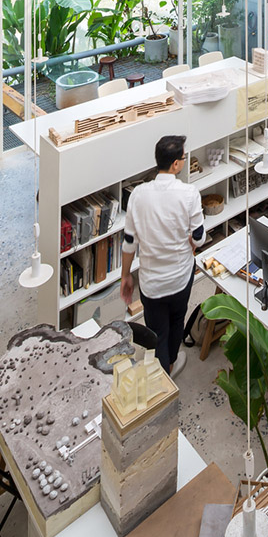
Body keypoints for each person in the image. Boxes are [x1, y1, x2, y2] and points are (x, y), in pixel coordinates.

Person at [120, 135, 204, 376]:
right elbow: (199, 237)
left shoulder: (138, 195)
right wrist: (190, 242)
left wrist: (126, 276)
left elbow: (129, 243)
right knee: (178, 319)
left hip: (151, 284)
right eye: (184, 158)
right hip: (180, 278)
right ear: (176, 164)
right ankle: (170, 365)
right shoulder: (189, 193)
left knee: (157, 331)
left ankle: (162, 369)